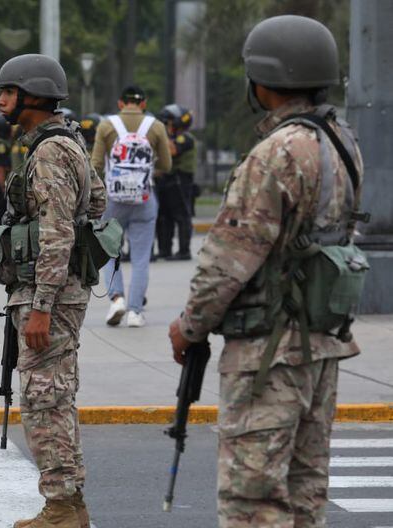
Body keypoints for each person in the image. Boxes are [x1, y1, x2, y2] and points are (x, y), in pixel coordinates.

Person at [168, 15, 366, 527]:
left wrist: (189, 326)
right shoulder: (342, 144)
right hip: (321, 345)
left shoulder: (277, 152)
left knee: (253, 503)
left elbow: (228, 260)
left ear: (264, 78)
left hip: (268, 354)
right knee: (304, 498)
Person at [0, 53, 107, 528]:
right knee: (56, 398)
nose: (1, 101)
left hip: (50, 297)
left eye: (8, 92)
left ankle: (60, 506)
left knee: (43, 401)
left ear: (33, 96)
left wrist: (41, 305)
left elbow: (58, 231)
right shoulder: (67, 140)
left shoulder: (50, 151)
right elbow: (96, 201)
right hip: (60, 291)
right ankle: (70, 504)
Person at [91, 85, 171, 327]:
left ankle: (117, 299)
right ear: (143, 103)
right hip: (144, 200)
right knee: (141, 259)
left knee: (109, 252)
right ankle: (135, 312)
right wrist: (146, 173)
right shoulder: (156, 126)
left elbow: (96, 164)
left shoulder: (106, 125)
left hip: (113, 200)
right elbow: (166, 165)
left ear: (120, 103)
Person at [155, 104, 196, 260]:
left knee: (181, 216)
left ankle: (184, 251)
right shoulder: (172, 138)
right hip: (166, 180)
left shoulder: (185, 138)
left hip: (180, 181)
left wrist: (161, 135)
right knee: (164, 217)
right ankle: (164, 249)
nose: (166, 125)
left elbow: (171, 151)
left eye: (168, 122)